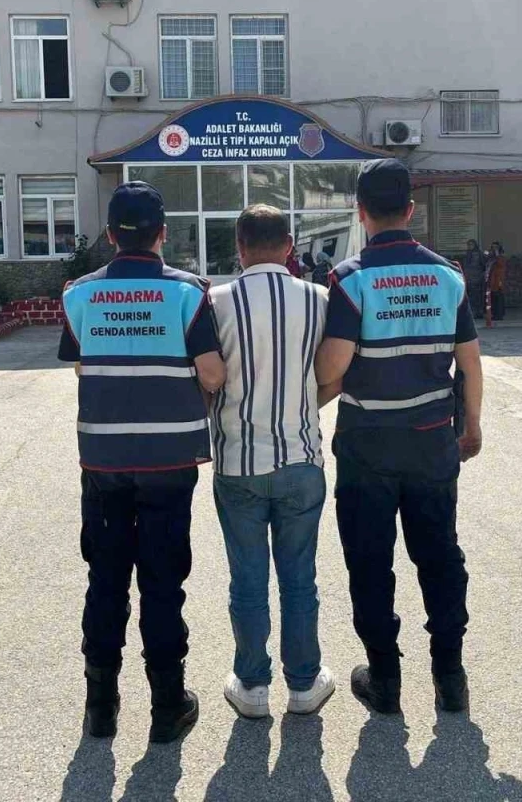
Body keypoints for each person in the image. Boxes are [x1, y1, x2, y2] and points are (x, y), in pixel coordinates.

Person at [314, 158, 484, 717]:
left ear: (360, 212)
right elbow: (470, 363)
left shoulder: (350, 279)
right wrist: (473, 425)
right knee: (439, 556)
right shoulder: (447, 276)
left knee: (370, 562)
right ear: (411, 210)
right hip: (433, 440)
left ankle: (384, 680)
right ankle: (450, 676)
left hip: (368, 444)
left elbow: (332, 367)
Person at [58, 181, 226, 744]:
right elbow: (212, 374)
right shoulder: (187, 292)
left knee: (105, 578)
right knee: (162, 581)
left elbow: (80, 364)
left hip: (103, 460)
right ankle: (167, 707)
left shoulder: (80, 293)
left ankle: (100, 708)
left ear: (110, 235)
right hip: (169, 460)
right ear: (163, 234)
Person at [207, 205, 341, 720]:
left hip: (238, 461)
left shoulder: (215, 301)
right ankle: (304, 684)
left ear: (239, 247)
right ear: (289, 246)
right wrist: (306, 404)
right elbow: (335, 372)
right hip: (301, 459)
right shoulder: (319, 299)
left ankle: (252, 684)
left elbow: (205, 378)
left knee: (247, 579)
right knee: (299, 577)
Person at [487, 241, 507, 321]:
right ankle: (495, 313)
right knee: (493, 298)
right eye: (493, 247)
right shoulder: (491, 257)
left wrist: (497, 254)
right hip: (492, 279)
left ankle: (499, 314)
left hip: (498, 280)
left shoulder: (501, 256)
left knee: (498, 297)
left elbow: (501, 264)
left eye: (496, 247)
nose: (494, 249)